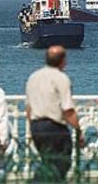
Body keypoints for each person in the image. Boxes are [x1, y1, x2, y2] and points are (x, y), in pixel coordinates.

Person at [26, 45, 84, 182]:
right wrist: (78, 130)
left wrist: (31, 128)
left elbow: (28, 108)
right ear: (63, 61)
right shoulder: (61, 78)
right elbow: (68, 109)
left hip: (36, 126)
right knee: (61, 163)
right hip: (54, 128)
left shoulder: (33, 77)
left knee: (47, 162)